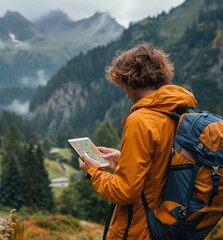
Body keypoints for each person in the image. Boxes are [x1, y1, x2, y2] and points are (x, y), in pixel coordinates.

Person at [79, 42, 197, 239]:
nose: (125, 93)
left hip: (139, 229)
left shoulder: (140, 120)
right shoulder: (177, 111)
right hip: (165, 223)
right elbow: (159, 169)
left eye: (122, 84)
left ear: (130, 79)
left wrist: (92, 172)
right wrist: (123, 160)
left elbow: (125, 192)